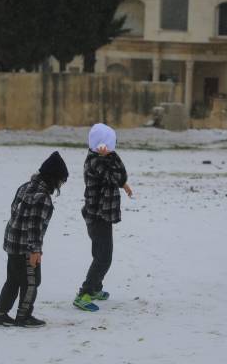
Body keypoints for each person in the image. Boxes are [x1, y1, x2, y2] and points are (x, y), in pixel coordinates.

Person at [0, 151, 68, 327]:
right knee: (32, 281)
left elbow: (14, 210)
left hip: (12, 242)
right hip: (26, 247)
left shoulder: (24, 187)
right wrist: (35, 250)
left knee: (13, 280)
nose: (61, 185)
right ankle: (23, 316)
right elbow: (34, 226)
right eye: (61, 181)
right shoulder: (43, 198)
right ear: (54, 178)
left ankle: (1, 313)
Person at [73, 124, 133, 312]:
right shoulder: (95, 162)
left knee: (99, 253)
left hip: (102, 215)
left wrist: (111, 156)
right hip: (97, 216)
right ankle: (84, 293)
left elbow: (122, 175)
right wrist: (108, 159)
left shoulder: (105, 159)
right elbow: (116, 176)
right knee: (104, 258)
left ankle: (96, 288)